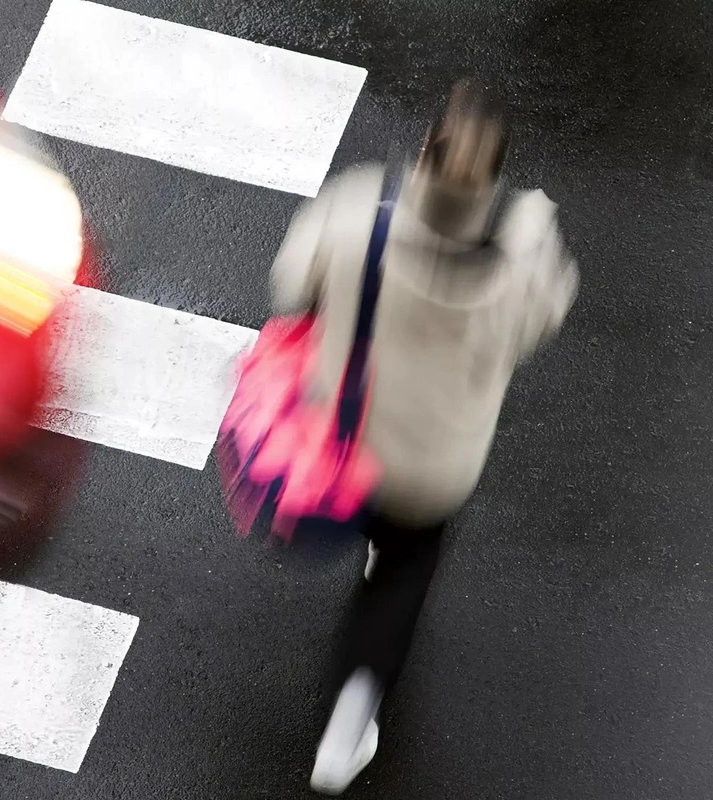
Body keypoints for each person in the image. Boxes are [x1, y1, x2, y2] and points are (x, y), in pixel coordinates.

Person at [268, 80, 578, 795]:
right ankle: (351, 716)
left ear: (422, 155)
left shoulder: (358, 217)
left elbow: (290, 283)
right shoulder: (518, 266)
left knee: (373, 516)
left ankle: (366, 533)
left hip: (343, 443)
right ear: (493, 185)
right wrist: (534, 234)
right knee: (405, 571)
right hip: (435, 470)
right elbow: (539, 325)